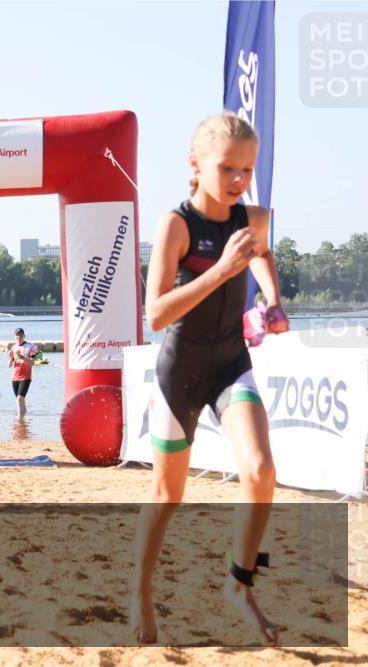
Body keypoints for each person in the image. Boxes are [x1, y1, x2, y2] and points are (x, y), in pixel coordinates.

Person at [131, 113, 288, 645]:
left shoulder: (255, 217)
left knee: (261, 471)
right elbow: (155, 315)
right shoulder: (174, 224)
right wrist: (221, 270)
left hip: (230, 362)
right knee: (166, 496)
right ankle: (140, 592)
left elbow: (261, 254)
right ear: (195, 167)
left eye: (247, 169)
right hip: (180, 373)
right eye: (228, 168)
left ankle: (240, 585)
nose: (239, 179)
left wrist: (272, 299)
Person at [7, 328, 38, 417]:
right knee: (19, 400)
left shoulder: (30, 346)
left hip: (26, 377)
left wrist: (21, 356)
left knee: (20, 398)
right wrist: (10, 358)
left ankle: (20, 420)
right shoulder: (13, 347)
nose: (18, 337)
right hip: (15, 377)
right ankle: (23, 421)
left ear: (24, 336)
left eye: (20, 335)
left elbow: (32, 362)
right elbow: (9, 365)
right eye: (17, 335)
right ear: (14, 337)